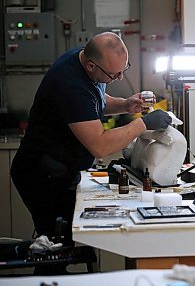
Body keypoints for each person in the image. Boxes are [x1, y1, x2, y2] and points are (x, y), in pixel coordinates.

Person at [10, 32, 172, 251]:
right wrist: (143, 124)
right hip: (42, 175)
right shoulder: (70, 85)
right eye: (114, 75)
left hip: (60, 169)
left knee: (62, 242)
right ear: (90, 66)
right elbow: (100, 146)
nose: (119, 79)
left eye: (123, 71)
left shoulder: (84, 63)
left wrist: (125, 104)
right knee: (54, 247)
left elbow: (94, 99)